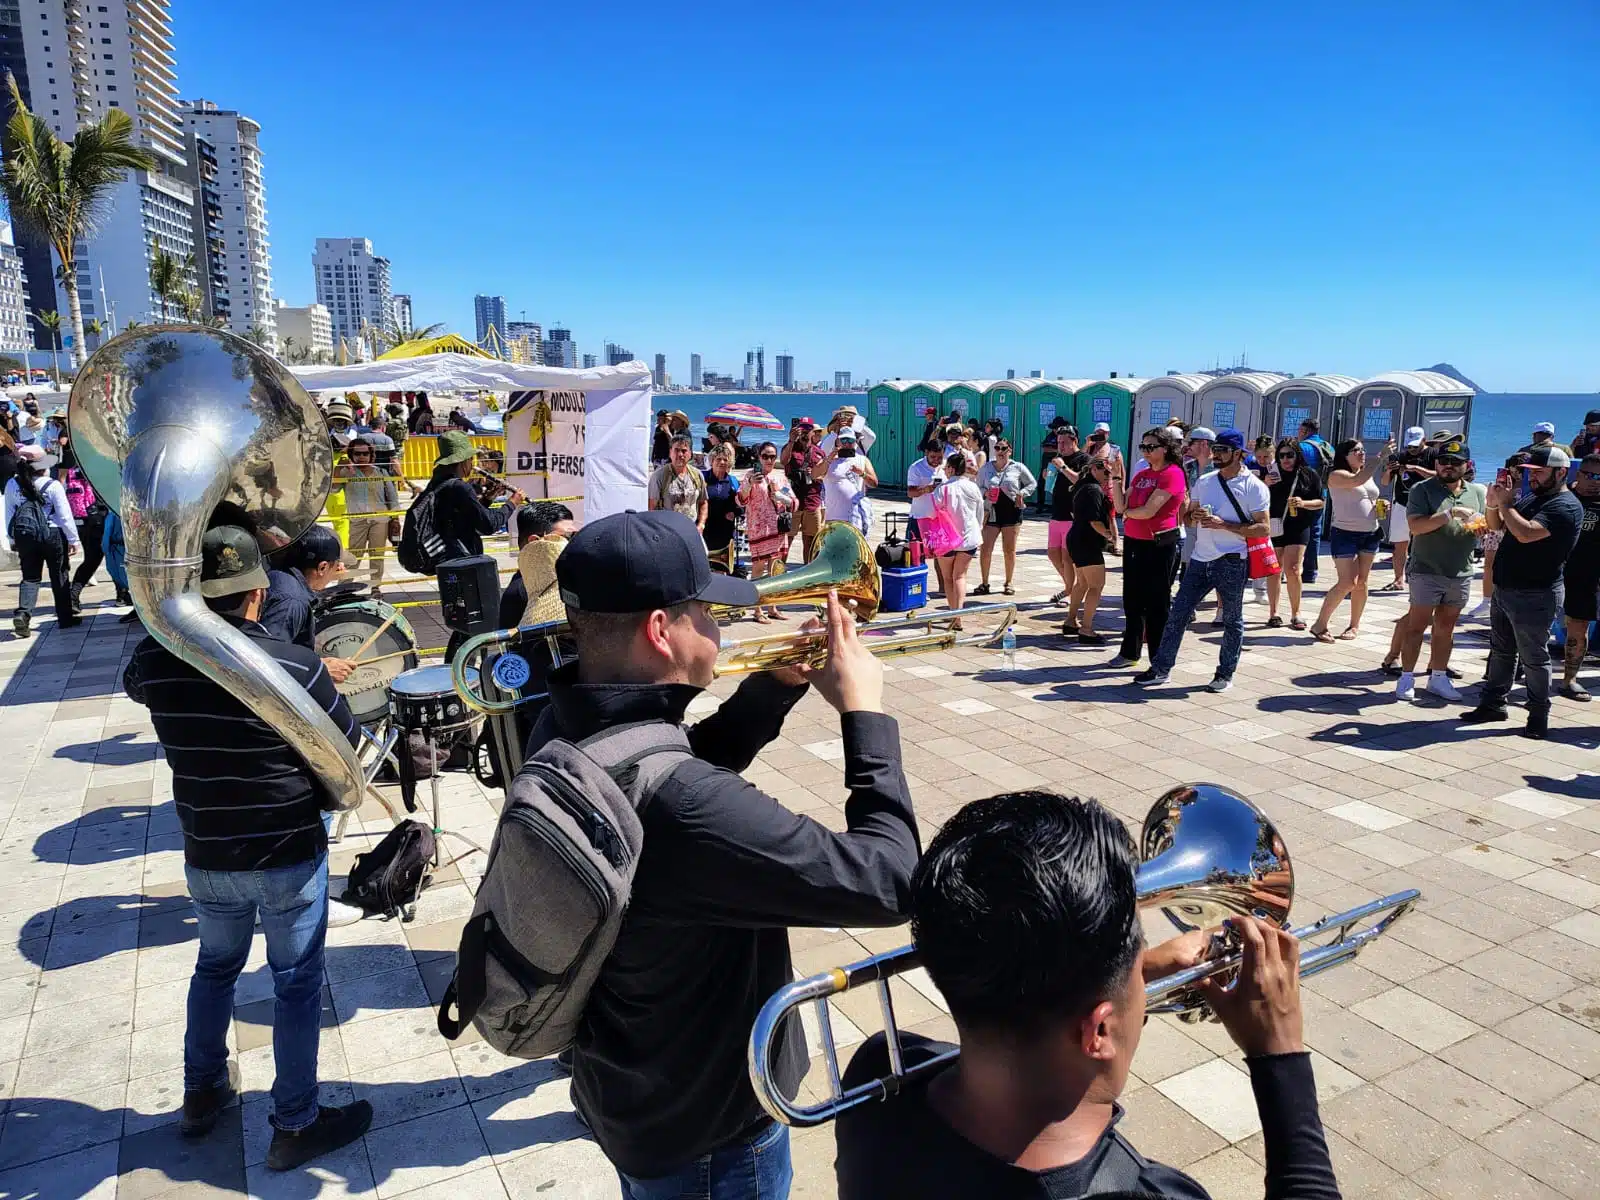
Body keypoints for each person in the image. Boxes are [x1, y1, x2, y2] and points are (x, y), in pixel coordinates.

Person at [530, 510, 920, 1199]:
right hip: (711, 1132)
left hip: (633, 1081)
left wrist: (775, 685)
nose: (722, 630)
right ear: (660, 630)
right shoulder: (687, 806)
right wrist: (865, 714)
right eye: (709, 614)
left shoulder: (561, 718)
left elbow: (662, 760)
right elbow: (890, 882)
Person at [835, 790, 1340, 1200]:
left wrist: (1133, 971)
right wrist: (1281, 1055)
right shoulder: (1152, 1194)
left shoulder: (878, 1073)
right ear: (1098, 1030)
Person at [122, 526, 373, 1171]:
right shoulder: (295, 666)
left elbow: (134, 669)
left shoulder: (157, 663)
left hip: (208, 849)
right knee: (294, 986)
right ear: (259, 591)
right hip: (288, 847)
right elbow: (345, 749)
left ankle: (200, 1094)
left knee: (214, 968)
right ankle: (294, 1122)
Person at [1464, 444, 1583, 739]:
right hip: (1507, 588)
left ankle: (1538, 715)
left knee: (1534, 658)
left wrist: (1505, 504)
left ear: (1561, 472)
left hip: (1536, 593)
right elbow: (1497, 528)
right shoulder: (1534, 497)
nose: (1533, 477)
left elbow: (1527, 533)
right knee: (1502, 652)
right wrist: (1493, 503)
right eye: (1530, 472)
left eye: (1540, 472)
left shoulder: (1564, 506)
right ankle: (1493, 704)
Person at [1138, 430, 1268, 693]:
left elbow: (1263, 528)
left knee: (1232, 620)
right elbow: (1186, 519)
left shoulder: (1254, 486)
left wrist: (1226, 525)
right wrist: (1193, 515)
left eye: (1222, 450)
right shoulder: (1206, 481)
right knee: (1178, 615)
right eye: (1215, 449)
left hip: (1233, 560)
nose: (1216, 454)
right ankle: (1161, 669)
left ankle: (1224, 674)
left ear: (1238, 453)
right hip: (1199, 559)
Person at [1394, 438, 1485, 702]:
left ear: (1466, 465)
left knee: (1446, 628)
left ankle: (1438, 677)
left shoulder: (1477, 492)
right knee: (1416, 626)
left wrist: (1484, 525)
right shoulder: (1422, 490)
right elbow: (1416, 527)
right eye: (1444, 461)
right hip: (1426, 570)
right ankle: (1407, 677)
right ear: (1436, 463)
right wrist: (1451, 513)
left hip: (1460, 571)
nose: (1448, 466)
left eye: (1455, 463)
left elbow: (1485, 524)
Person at [1110, 427, 1186, 668]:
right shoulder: (1142, 474)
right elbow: (1120, 506)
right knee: (1132, 599)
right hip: (1134, 541)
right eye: (1143, 446)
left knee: (1156, 603)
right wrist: (1115, 478)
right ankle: (1130, 652)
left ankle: (1159, 659)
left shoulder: (1172, 474)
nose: (1145, 451)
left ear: (1165, 449)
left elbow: (1149, 511)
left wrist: (1129, 514)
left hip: (1159, 542)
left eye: (1150, 447)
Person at [1308, 437, 1394, 644]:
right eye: (1356, 451)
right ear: (1344, 456)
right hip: (1344, 533)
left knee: (1362, 582)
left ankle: (1354, 625)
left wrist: (1379, 505)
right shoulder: (1336, 475)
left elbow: (1366, 494)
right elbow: (1356, 482)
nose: (1361, 453)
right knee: (1347, 582)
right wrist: (1380, 456)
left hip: (1370, 532)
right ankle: (1320, 624)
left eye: (1363, 450)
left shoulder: (1364, 473)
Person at [6, 444, 80, 637]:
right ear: (43, 466)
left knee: (30, 576)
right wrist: (73, 539)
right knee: (59, 574)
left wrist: (12, 538)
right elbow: (64, 516)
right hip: (52, 534)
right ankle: (65, 618)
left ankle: (23, 615)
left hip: (26, 536)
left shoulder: (12, 484)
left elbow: (9, 513)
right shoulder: (52, 485)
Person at [498, 501, 579, 630]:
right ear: (536, 543)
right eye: (568, 537)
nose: (575, 543)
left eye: (577, 536)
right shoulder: (521, 592)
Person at [740, 441, 797, 623]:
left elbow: (795, 503)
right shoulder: (750, 476)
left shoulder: (780, 478)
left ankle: (772, 607)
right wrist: (750, 483)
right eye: (765, 456)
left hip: (777, 530)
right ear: (759, 457)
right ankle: (757, 610)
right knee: (758, 569)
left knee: (776, 569)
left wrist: (783, 498)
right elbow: (741, 499)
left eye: (773, 456)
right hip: (758, 530)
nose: (769, 460)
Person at [1559, 453, 1600, 701]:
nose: (1597, 481)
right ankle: (1517, 668)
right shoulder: (1562, 497)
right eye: (1592, 475)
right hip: (1551, 572)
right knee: (1532, 625)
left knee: (1579, 626)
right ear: (1579, 474)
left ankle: (1569, 680)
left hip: (1587, 575)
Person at [335, 437, 398, 598]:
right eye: (357, 453)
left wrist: (395, 519)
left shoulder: (381, 472)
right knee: (354, 556)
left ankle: (375, 587)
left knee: (377, 555)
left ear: (371, 455)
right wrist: (339, 467)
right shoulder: (347, 473)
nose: (361, 457)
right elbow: (333, 489)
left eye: (365, 453)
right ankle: (344, 588)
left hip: (380, 520)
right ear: (351, 455)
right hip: (358, 521)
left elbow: (392, 498)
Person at [974, 440, 1037, 598]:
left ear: (1010, 451)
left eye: (1004, 448)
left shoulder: (1017, 467)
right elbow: (978, 486)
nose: (1000, 451)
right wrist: (986, 493)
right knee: (986, 549)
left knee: (1009, 550)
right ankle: (984, 582)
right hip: (992, 511)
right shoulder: (986, 468)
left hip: (1011, 510)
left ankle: (1009, 582)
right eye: (997, 448)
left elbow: (1032, 483)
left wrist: (1022, 494)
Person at [1063, 457, 1113, 644]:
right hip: (1086, 541)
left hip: (1076, 538)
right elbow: (1095, 521)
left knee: (1082, 583)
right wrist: (1110, 536)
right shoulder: (1093, 489)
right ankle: (1086, 629)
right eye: (1106, 472)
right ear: (1094, 469)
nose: (1108, 476)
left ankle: (1070, 621)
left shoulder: (1082, 486)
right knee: (1096, 585)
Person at [933, 452, 984, 626]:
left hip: (946, 539)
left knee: (948, 578)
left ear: (952, 469)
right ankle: (958, 615)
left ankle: (953, 612)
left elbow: (934, 512)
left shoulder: (942, 489)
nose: (945, 470)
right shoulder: (973, 487)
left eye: (947, 467)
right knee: (960, 576)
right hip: (968, 538)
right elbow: (979, 512)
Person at [1381, 427, 1434, 593]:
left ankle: (1425, 578)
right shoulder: (1400, 456)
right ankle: (1398, 579)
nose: (1411, 450)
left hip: (1426, 505)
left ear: (1424, 440)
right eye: (1409, 446)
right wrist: (1389, 470)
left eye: (1415, 446)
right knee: (1400, 544)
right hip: (1402, 502)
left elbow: (1439, 476)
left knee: (1425, 543)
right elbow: (1384, 482)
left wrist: (1416, 469)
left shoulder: (1433, 454)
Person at [780, 418, 826, 561]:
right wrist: (791, 440)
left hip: (812, 501)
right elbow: (783, 461)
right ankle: (779, 572)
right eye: (802, 430)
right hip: (793, 503)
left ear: (813, 432)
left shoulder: (819, 452)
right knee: (786, 541)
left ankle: (808, 572)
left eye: (808, 430)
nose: (805, 434)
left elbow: (825, 475)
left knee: (811, 542)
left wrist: (815, 474)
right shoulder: (790, 448)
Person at [1045, 448, 1086, 606]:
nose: (1060, 445)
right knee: (1052, 553)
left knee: (1067, 556)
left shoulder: (1083, 458)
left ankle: (1070, 590)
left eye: (1064, 442)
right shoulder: (1058, 457)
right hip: (1056, 513)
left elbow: (1080, 481)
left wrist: (1063, 468)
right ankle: (1071, 587)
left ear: (1074, 441)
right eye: (1059, 442)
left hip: (1071, 514)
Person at [1296, 418, 1334, 584]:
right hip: (1321, 494)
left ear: (1305, 431)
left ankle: (1288, 568)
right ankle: (1310, 572)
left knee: (1294, 531)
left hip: (1300, 495)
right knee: (1315, 532)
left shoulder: (1301, 447)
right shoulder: (1327, 446)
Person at [647, 434, 708, 532]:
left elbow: (703, 502)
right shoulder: (659, 476)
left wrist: (701, 525)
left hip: (691, 531)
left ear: (690, 454)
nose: (680, 454)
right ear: (670, 452)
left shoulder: (697, 475)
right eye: (676, 450)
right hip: (667, 531)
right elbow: (651, 508)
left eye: (684, 451)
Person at [821, 428, 877, 534]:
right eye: (844, 440)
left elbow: (874, 483)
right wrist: (834, 432)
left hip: (855, 517)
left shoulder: (862, 460)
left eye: (851, 440)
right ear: (837, 441)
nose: (847, 443)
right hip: (832, 516)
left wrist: (862, 473)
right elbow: (816, 475)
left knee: (855, 549)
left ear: (855, 442)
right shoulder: (829, 460)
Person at [701, 445, 740, 575]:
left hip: (724, 532)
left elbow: (741, 506)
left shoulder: (733, 482)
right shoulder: (702, 477)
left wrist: (734, 513)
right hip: (704, 530)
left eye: (725, 459)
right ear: (712, 460)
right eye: (718, 459)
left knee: (721, 570)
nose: (722, 462)